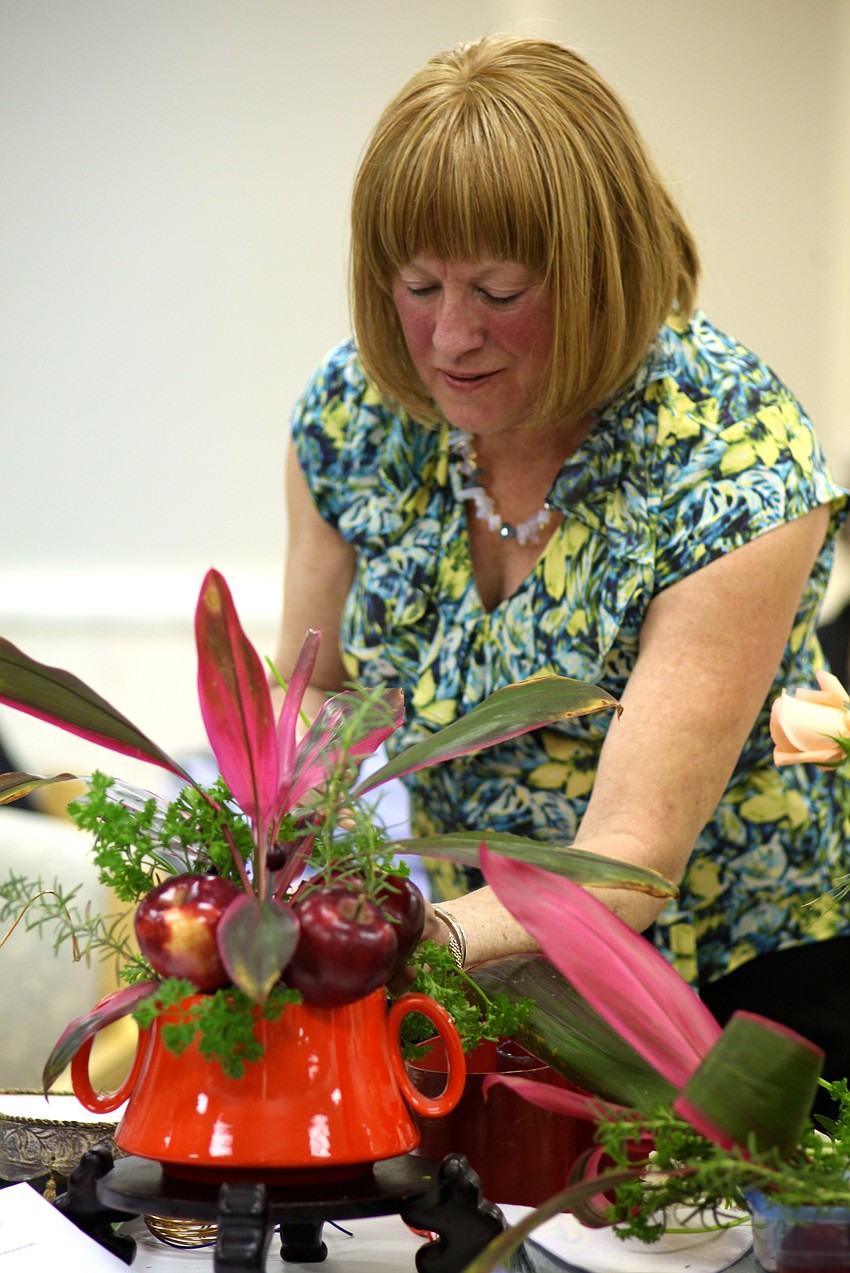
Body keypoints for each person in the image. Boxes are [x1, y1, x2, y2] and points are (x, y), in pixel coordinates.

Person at [275, 35, 850, 1084]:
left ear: (597, 273)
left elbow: (623, 864)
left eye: (497, 291)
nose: (450, 337)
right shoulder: (355, 412)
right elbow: (312, 687)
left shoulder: (728, 455)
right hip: (477, 965)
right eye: (417, 285)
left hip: (731, 988)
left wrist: (396, 943)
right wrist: (289, 874)